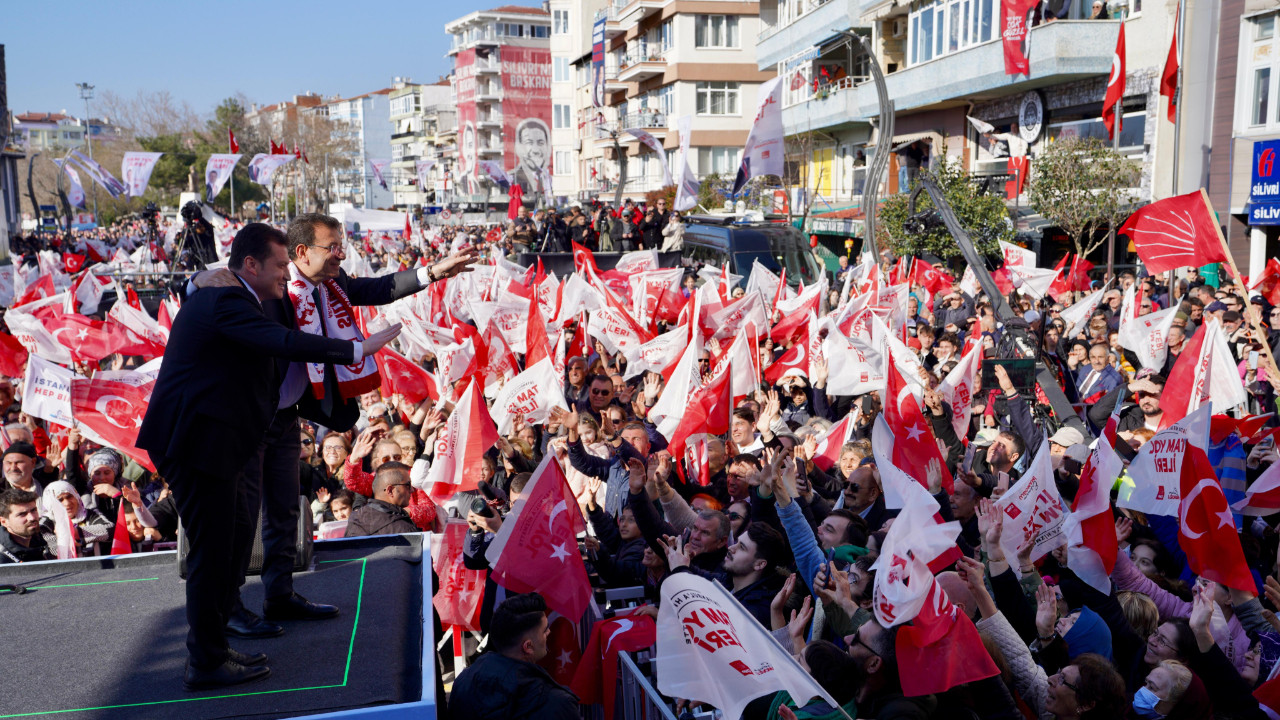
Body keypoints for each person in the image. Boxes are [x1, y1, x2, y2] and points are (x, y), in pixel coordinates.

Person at [136, 222, 404, 691]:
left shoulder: (239, 296)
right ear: (251, 265)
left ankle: (215, 643)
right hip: (199, 444)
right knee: (213, 553)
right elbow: (280, 342)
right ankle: (205, 661)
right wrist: (355, 349)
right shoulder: (225, 299)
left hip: (220, 441)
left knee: (235, 538)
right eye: (281, 265)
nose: (287, 273)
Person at [191, 213, 476, 643]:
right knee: (243, 518)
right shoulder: (271, 289)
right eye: (332, 247)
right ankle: (230, 609)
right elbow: (208, 286)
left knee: (287, 510)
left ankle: (280, 595)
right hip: (249, 423)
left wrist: (434, 271)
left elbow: (378, 288)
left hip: (286, 418)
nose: (340, 255)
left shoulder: (331, 286)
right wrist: (196, 279)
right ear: (300, 253)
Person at [449, 593, 579, 720]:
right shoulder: (557, 704)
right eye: (545, 630)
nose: (549, 632)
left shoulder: (462, 682)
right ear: (528, 647)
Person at [344, 462, 418, 537]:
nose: (412, 490)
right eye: (408, 485)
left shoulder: (355, 520)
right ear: (390, 490)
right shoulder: (404, 529)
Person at [0, 488, 54, 563]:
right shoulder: (2, 558)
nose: (32, 518)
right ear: (4, 522)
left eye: (33, 510)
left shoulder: (41, 541)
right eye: (22, 514)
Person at [511, 119, 551, 197]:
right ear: (518, 147)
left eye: (541, 143)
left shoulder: (550, 178)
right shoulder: (513, 178)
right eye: (529, 143)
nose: (535, 150)